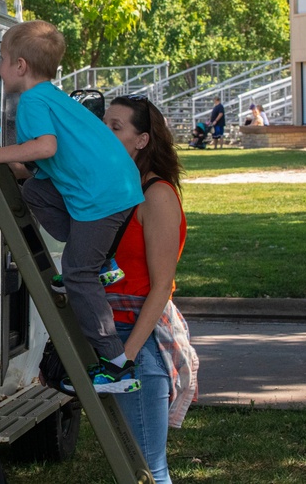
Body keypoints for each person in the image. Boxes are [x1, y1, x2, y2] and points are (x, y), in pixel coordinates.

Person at [0, 20, 144, 394]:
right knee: (37, 192)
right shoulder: (52, 96)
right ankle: (103, 265)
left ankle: (117, 367)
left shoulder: (30, 101)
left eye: (4, 61)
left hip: (100, 197)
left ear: (21, 66)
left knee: (77, 276)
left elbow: (45, 147)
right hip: (115, 185)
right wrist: (6, 163)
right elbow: (37, 166)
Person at [102, 95, 200, 484]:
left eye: (116, 127)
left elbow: (161, 286)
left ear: (142, 140)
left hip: (138, 344)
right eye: (103, 124)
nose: (105, 134)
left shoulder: (156, 195)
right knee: (130, 464)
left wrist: (126, 355)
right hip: (113, 333)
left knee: (146, 468)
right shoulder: (120, 185)